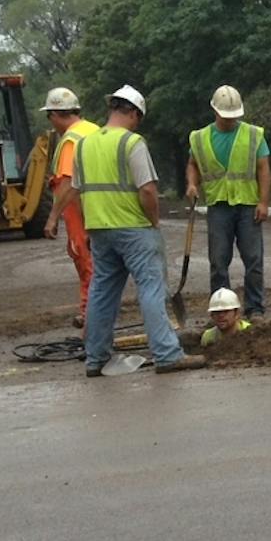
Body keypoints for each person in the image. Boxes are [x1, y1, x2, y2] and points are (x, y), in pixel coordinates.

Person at [78, 85, 204, 377]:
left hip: (99, 227)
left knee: (102, 291)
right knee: (151, 287)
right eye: (139, 118)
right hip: (134, 227)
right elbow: (147, 190)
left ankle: (95, 358)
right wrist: (154, 222)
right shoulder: (132, 143)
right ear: (133, 113)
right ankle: (167, 354)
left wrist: (90, 224)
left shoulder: (85, 144)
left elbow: (79, 189)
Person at [185, 85, 270, 320]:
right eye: (227, 116)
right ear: (215, 111)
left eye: (235, 116)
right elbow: (192, 164)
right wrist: (192, 184)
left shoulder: (253, 135)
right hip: (218, 206)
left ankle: (254, 308)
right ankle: (221, 310)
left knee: (253, 259)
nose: (232, 120)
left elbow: (263, 168)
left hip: (247, 205)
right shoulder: (199, 138)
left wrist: (263, 202)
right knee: (218, 262)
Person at [37, 87, 98, 327]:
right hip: (102, 207)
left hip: (80, 209)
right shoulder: (94, 130)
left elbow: (67, 184)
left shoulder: (71, 140)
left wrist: (52, 218)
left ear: (54, 114)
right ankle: (95, 313)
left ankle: (89, 314)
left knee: (85, 262)